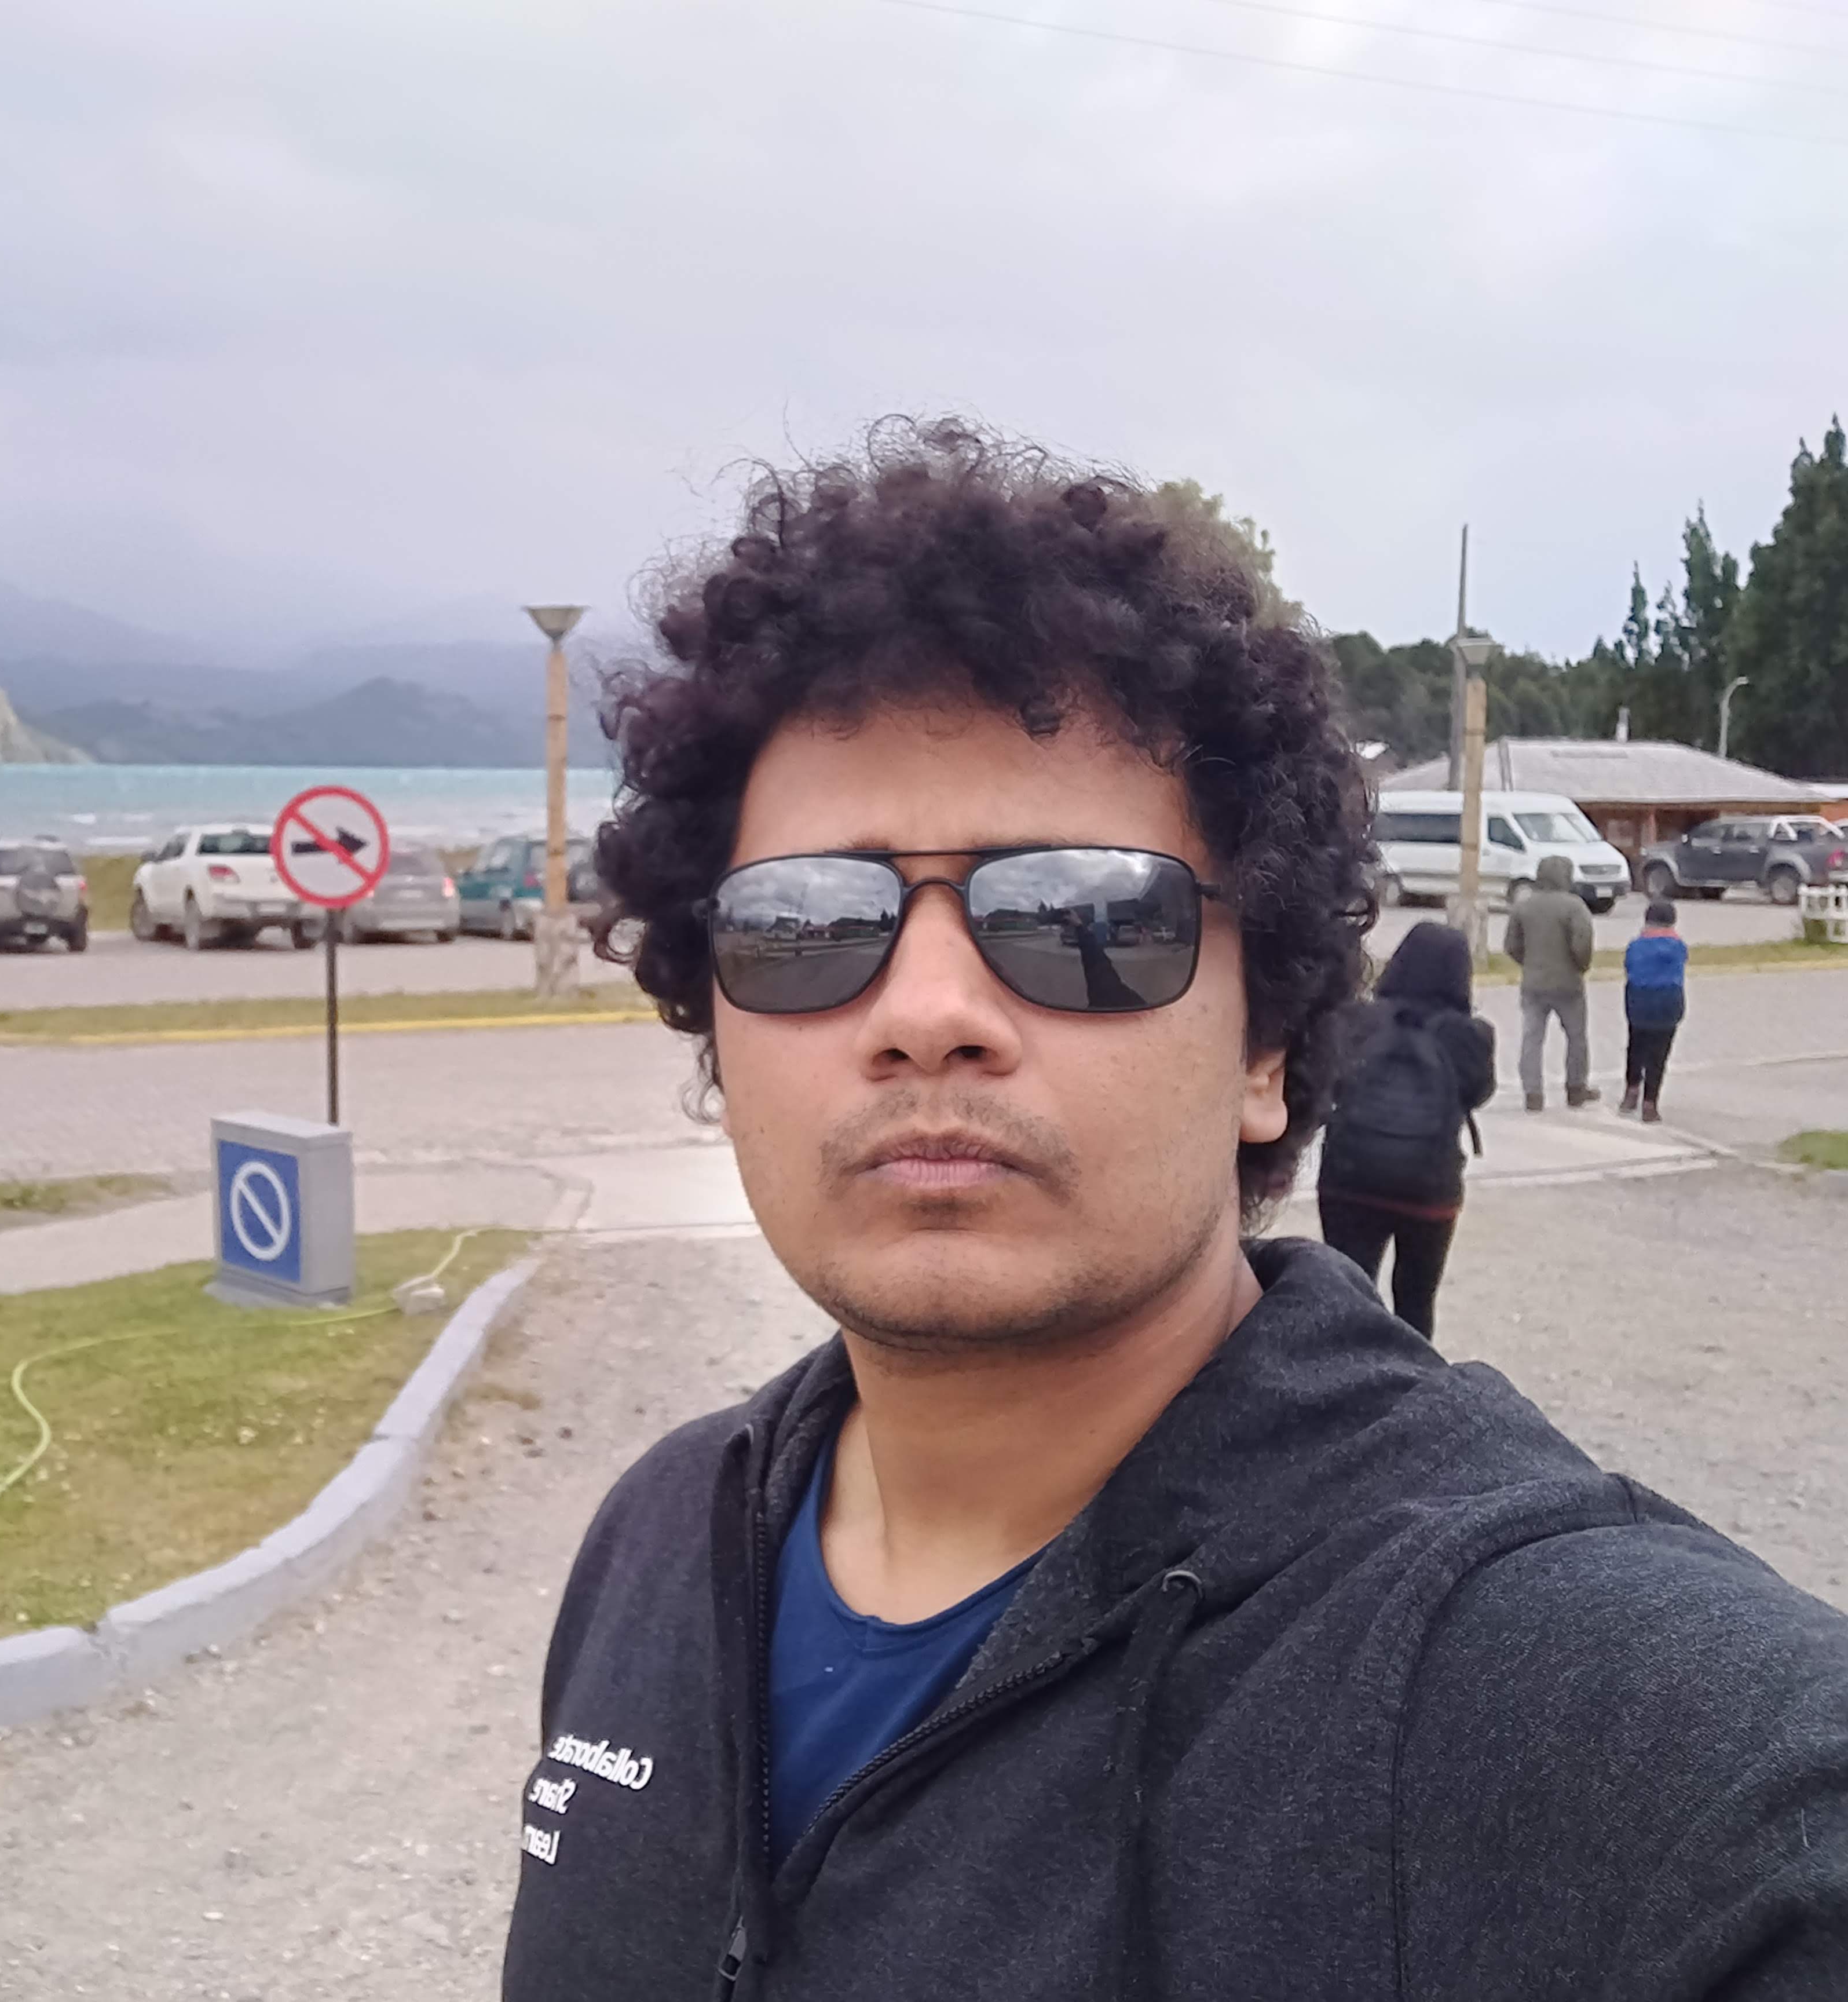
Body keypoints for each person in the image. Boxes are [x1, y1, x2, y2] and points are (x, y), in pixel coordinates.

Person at [501, 423, 1848, 2000]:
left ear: (1265, 1047)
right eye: (807, 925)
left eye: (1080, 917)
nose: (927, 1013)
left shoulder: (1574, 1708)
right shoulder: (665, 1538)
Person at [1315, 922, 1494, 1339]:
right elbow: (1477, 1093)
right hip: (1428, 1184)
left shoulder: (1357, 1020)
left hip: (1350, 1174)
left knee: (1348, 1290)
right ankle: (1409, 1375)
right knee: (1416, 1298)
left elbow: (1328, 1079)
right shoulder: (1470, 1036)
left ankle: (1342, 1370)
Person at [1501, 853, 1598, 1110]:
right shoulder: (1574, 906)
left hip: (1533, 982)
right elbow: (1582, 943)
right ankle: (1576, 1088)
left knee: (1532, 1039)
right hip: (1568, 983)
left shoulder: (1524, 906)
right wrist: (1581, 966)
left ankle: (1533, 1093)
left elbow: (1511, 946)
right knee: (1576, 1038)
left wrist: (1528, 962)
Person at [1622, 897, 1687, 1124]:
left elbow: (1629, 967)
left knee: (1636, 1046)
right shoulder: (1678, 947)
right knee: (1659, 1054)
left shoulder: (1635, 946)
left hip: (1639, 1001)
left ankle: (1631, 1091)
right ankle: (1650, 1103)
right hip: (1668, 1002)